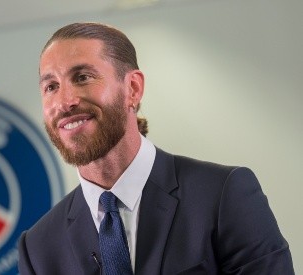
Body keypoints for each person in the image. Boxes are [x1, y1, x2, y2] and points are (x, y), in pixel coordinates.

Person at [18, 22, 294, 274]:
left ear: (133, 89)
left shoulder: (224, 195)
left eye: (82, 77)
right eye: (51, 86)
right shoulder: (39, 247)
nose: (65, 101)